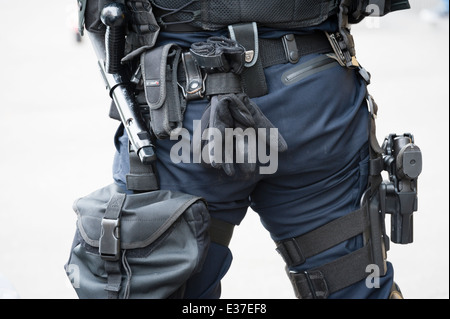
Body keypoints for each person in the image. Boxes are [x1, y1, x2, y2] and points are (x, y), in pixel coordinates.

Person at [78, 0, 416, 299]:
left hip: (183, 112)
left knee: (155, 278)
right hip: (316, 97)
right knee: (353, 283)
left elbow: (100, 16)